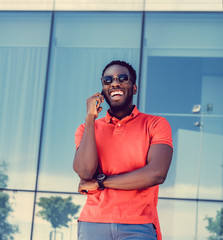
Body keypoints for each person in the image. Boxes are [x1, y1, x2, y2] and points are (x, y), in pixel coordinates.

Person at [73, 60, 173, 240]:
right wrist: (90, 118)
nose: (115, 83)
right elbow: (85, 173)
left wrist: (100, 182)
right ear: (103, 90)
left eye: (122, 78)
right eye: (108, 80)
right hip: (93, 223)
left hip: (139, 225)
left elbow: (156, 173)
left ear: (134, 88)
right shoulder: (86, 129)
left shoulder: (156, 124)